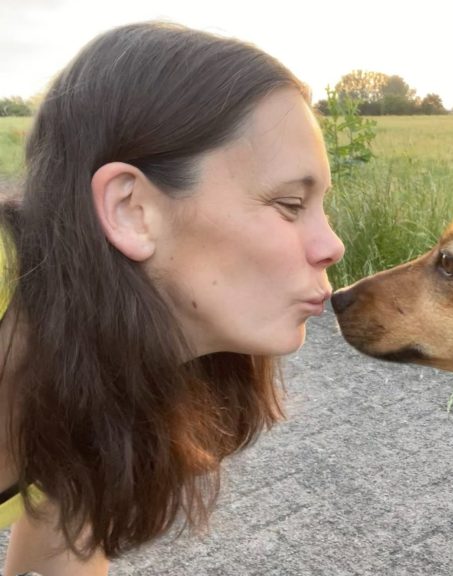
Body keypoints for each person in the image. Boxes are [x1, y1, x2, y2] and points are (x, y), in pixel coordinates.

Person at [0, 21, 345, 575]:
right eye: (288, 204)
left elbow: (59, 549)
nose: (332, 245)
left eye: (321, 206)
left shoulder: (106, 369)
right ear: (131, 210)